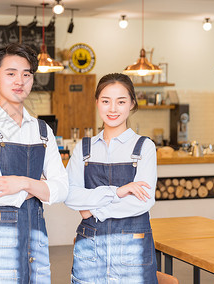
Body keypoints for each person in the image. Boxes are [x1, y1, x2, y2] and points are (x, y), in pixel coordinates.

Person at [0, 43, 69, 283]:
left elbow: (62, 189)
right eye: (10, 73)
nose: (19, 81)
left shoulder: (43, 130)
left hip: (37, 240)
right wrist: (40, 188)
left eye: (26, 74)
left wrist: (20, 182)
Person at [65, 73, 158, 283]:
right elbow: (70, 195)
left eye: (121, 101)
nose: (113, 109)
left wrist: (93, 210)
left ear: (132, 103)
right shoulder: (83, 149)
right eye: (106, 101)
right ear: (97, 102)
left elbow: (142, 201)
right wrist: (118, 192)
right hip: (90, 247)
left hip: (132, 249)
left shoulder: (145, 147)